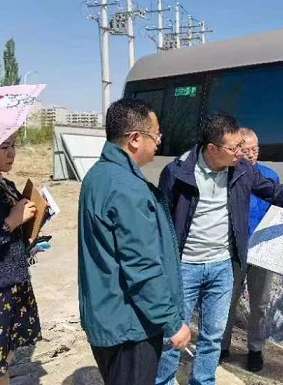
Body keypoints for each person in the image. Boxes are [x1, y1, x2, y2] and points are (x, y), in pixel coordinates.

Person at [156, 112, 283, 385]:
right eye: (234, 148)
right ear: (212, 148)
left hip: (223, 267)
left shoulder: (242, 170)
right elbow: (161, 222)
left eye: (242, 147)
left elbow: (277, 192)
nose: (240, 153)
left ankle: (203, 381)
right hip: (186, 267)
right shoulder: (176, 172)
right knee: (174, 333)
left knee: (213, 335)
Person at [78, 98, 191, 385]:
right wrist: (172, 322)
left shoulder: (98, 175)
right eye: (156, 135)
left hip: (107, 316)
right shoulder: (128, 188)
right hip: (130, 325)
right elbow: (142, 267)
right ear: (135, 139)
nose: (159, 141)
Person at [220, 128, 278, 372]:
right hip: (234, 251)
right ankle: (222, 346)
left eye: (256, 149)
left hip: (261, 252)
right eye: (247, 150)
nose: (253, 154)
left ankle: (255, 349)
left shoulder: (270, 176)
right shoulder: (227, 175)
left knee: (260, 305)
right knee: (227, 301)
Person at [0, 133, 42, 385]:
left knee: (6, 356)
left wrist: (30, 235)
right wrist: (10, 222)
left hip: (14, 284)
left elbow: (14, 234)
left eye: (14, 145)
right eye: (4, 146)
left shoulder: (7, 186)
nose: (12, 152)